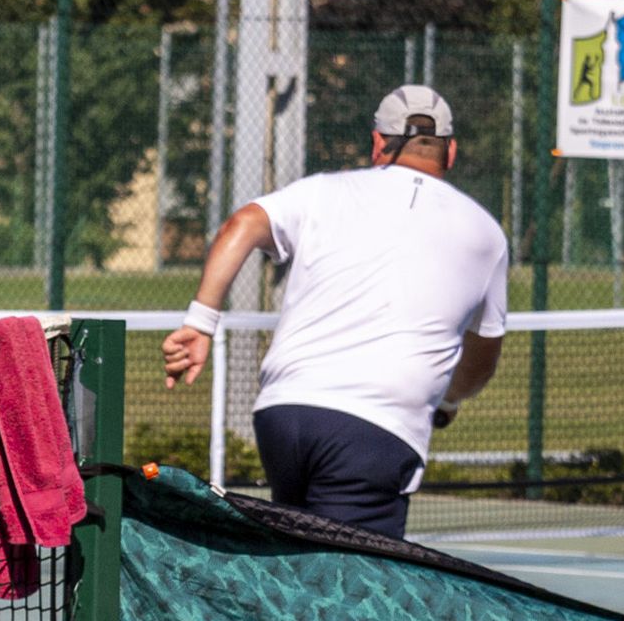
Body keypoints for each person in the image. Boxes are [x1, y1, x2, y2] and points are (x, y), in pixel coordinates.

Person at [163, 85, 508, 540]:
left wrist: (200, 323)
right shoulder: (487, 233)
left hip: (282, 417)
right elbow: (481, 358)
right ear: (452, 151)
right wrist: (447, 401)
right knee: (353, 590)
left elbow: (240, 225)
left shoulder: (322, 191)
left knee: (301, 568)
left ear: (377, 144)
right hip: (375, 433)